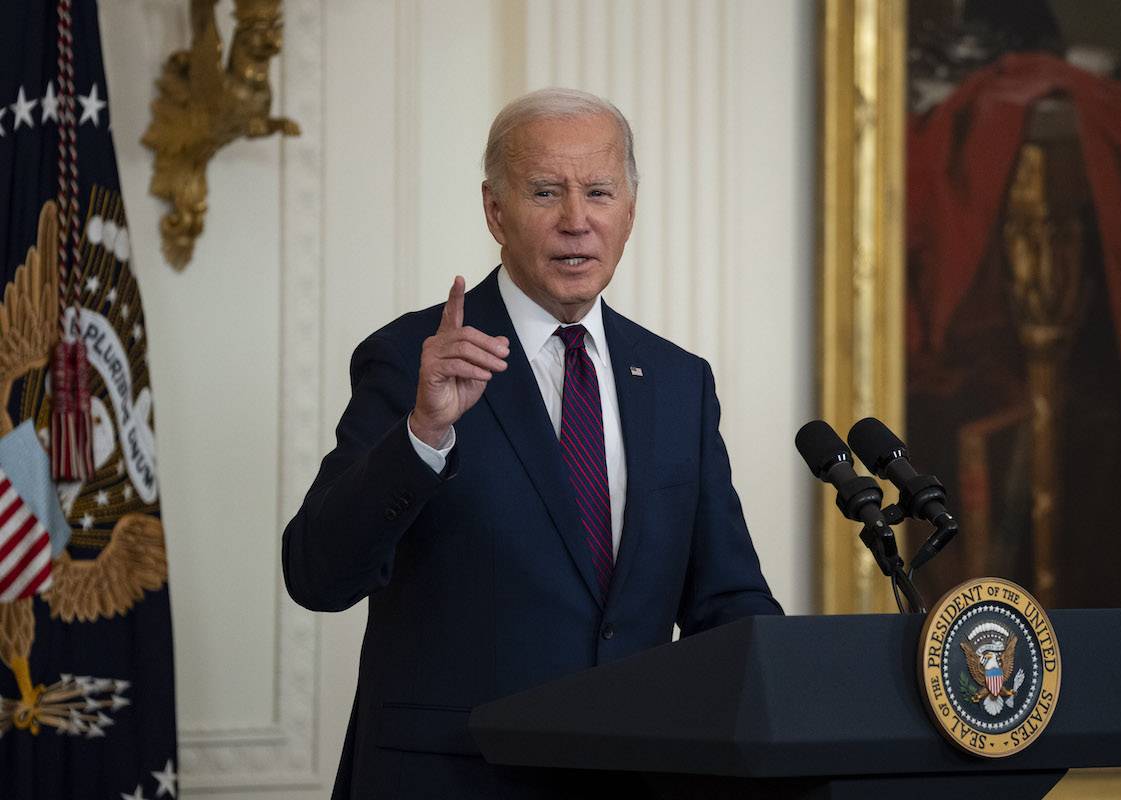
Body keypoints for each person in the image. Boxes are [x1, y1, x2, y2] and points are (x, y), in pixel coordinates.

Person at [282, 87, 782, 800]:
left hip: (632, 781)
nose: (576, 221)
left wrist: (798, 692)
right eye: (546, 192)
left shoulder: (678, 382)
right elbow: (317, 575)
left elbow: (726, 601)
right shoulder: (413, 359)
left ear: (630, 211)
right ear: (495, 210)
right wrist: (424, 433)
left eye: (600, 192)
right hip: (452, 779)